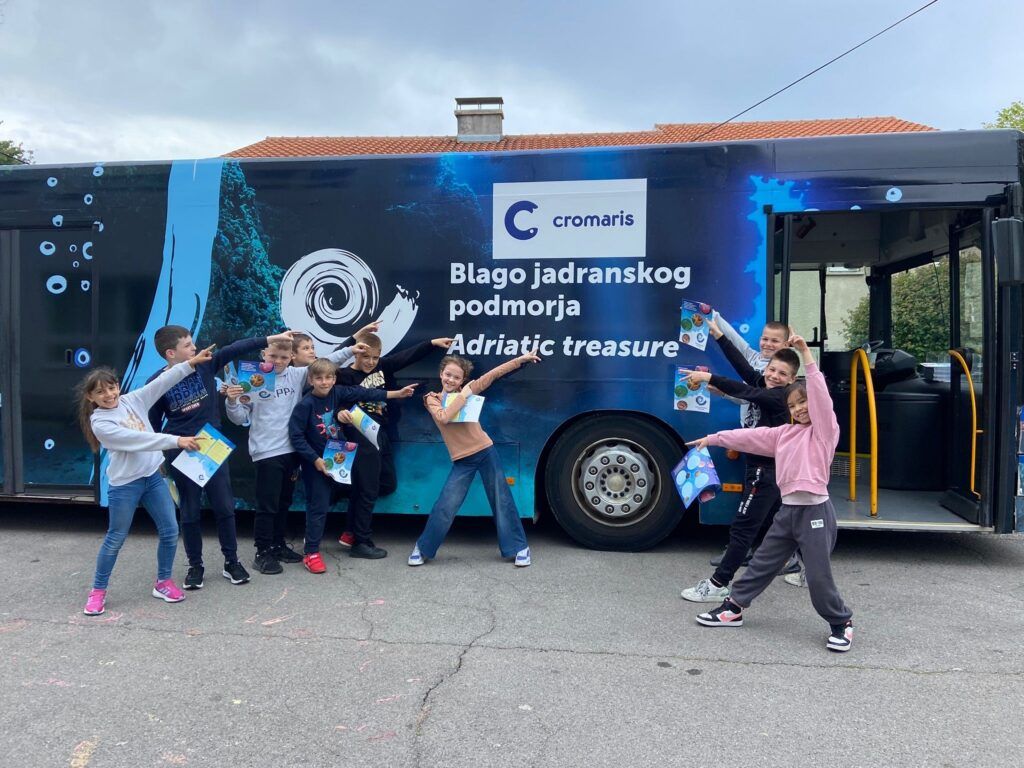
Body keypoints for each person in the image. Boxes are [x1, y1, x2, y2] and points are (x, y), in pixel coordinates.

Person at [687, 335, 854, 652]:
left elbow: (820, 397)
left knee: (817, 576)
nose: (799, 409)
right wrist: (713, 438)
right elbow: (749, 437)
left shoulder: (825, 433)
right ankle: (734, 608)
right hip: (788, 512)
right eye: (793, 405)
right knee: (762, 563)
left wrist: (805, 354)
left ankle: (841, 622)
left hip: (815, 512)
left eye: (803, 402)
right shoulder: (784, 434)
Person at [147, 326, 295, 590]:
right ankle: (195, 566)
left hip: (211, 445)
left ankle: (231, 562)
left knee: (225, 507)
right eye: (187, 345)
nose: (195, 348)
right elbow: (153, 423)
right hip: (180, 449)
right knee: (190, 511)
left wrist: (271, 339)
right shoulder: (157, 382)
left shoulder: (205, 364)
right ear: (171, 353)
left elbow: (235, 348)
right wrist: (159, 455)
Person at [77, 344, 214, 615]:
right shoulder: (100, 423)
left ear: (118, 386)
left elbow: (163, 381)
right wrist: (176, 440)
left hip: (152, 478)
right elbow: (138, 439)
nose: (109, 395)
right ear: (90, 396)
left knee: (170, 530)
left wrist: (191, 363)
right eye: (100, 392)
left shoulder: (132, 400)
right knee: (115, 538)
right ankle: (98, 591)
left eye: (111, 388)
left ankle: (163, 582)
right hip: (125, 485)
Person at [224, 336, 369, 575]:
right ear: (263, 355)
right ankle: (263, 552)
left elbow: (327, 362)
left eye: (283, 357)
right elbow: (239, 418)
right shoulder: (252, 380)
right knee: (268, 505)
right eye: (273, 356)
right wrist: (232, 401)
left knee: (284, 502)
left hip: (292, 450)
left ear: (291, 357)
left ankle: (278, 545)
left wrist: (351, 350)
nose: (278, 361)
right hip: (266, 451)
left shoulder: (296, 375)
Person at [679, 327, 800, 602]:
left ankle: (718, 584)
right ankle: (805, 570)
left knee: (743, 529)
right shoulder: (768, 385)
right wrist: (719, 336)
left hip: (764, 473)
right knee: (789, 523)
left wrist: (709, 377)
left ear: (792, 379)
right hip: (771, 471)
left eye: (782, 374)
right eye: (771, 370)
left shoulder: (778, 396)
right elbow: (744, 369)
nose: (774, 376)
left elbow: (744, 390)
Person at [408, 351, 539, 567]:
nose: (451, 380)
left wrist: (520, 360)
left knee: (502, 500)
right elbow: (444, 417)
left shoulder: (469, 390)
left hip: (486, 451)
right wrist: (464, 395)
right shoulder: (432, 398)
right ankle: (423, 548)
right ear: (441, 374)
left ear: (462, 380)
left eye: (456, 377)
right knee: (446, 505)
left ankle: (519, 547)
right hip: (462, 460)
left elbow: (493, 375)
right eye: (448, 375)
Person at [288, 358, 417, 569]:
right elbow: (296, 437)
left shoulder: (337, 393)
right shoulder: (305, 405)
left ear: (334, 379)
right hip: (317, 463)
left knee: (361, 488)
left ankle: (350, 532)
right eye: (319, 378)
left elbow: (366, 393)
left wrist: (396, 394)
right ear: (310, 380)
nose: (324, 382)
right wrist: (314, 459)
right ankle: (311, 552)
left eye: (328, 377)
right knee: (318, 506)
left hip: (338, 459)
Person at [332, 333, 453, 547]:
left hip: (381, 432)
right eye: (366, 357)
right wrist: (340, 412)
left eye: (375, 357)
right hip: (359, 434)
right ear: (356, 354)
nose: (371, 362)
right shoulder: (344, 375)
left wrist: (432, 343)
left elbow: (407, 356)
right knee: (368, 487)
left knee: (386, 483)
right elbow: (334, 398)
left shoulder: (382, 366)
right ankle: (357, 538)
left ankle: (349, 509)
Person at [707, 312, 791, 569]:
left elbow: (747, 391)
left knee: (756, 508)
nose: (767, 344)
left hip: (767, 454)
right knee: (771, 505)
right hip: (754, 445)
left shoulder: (781, 386)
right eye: (765, 339)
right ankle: (782, 555)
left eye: (775, 341)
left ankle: (735, 562)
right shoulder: (759, 370)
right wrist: (716, 325)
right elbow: (740, 361)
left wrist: (713, 380)